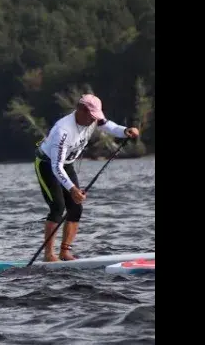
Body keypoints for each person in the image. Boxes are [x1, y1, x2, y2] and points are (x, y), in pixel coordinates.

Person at [35, 93, 140, 261]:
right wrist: (72, 189)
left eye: (95, 117)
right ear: (80, 110)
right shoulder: (62, 130)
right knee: (58, 207)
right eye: (91, 116)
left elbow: (107, 125)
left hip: (67, 164)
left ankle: (65, 252)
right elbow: (56, 167)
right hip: (48, 165)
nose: (93, 120)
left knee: (76, 207)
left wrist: (124, 131)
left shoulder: (93, 118)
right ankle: (49, 255)